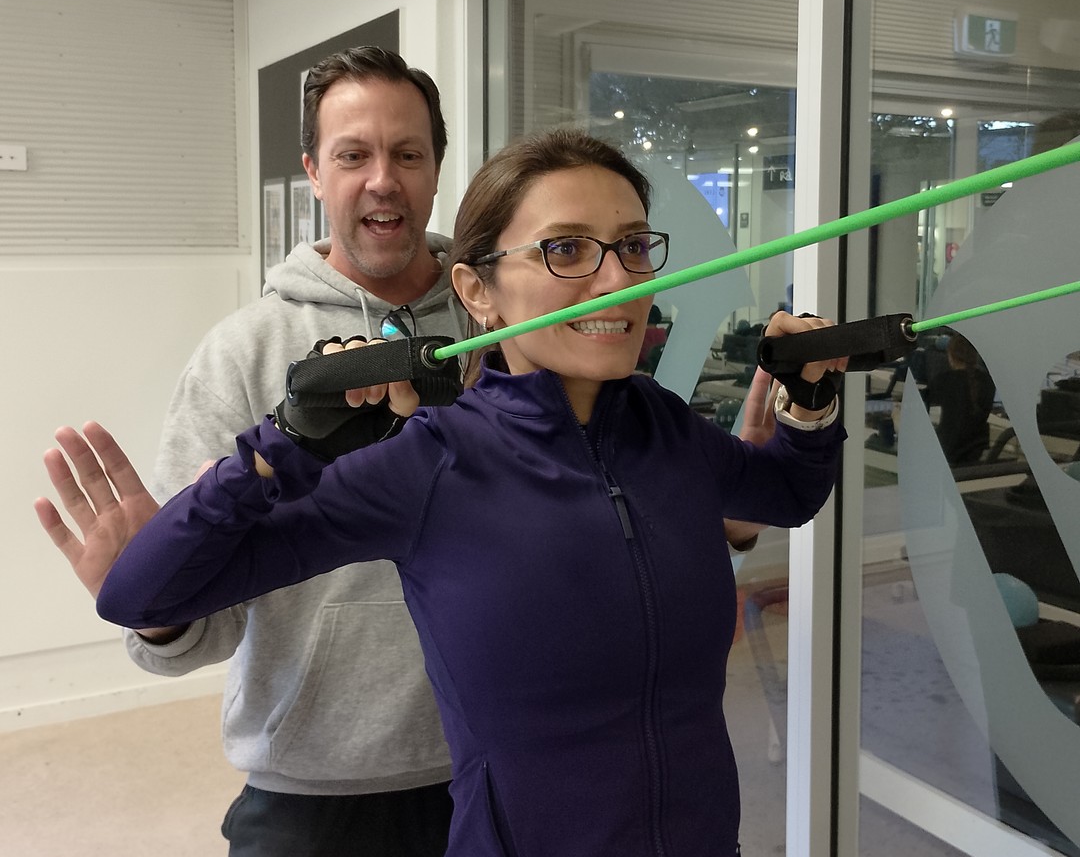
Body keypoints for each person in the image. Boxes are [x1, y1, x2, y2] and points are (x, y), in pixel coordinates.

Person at [46, 129, 846, 857]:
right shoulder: (431, 460)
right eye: (567, 249)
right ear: (477, 291)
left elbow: (785, 492)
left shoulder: (665, 428)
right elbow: (138, 592)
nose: (617, 279)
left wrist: (808, 402)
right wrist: (286, 446)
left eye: (633, 245)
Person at [36, 46, 464, 856]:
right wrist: (160, 604)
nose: (383, 179)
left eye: (407, 153)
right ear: (314, 171)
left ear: (437, 168)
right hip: (308, 791)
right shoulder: (242, 352)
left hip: (487, 759)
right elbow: (198, 631)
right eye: (353, 155)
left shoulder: (493, 327)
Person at [924, 331, 995, 467]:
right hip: (975, 453)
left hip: (947, 454)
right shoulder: (987, 382)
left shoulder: (942, 382)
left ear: (950, 356)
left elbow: (934, 421)